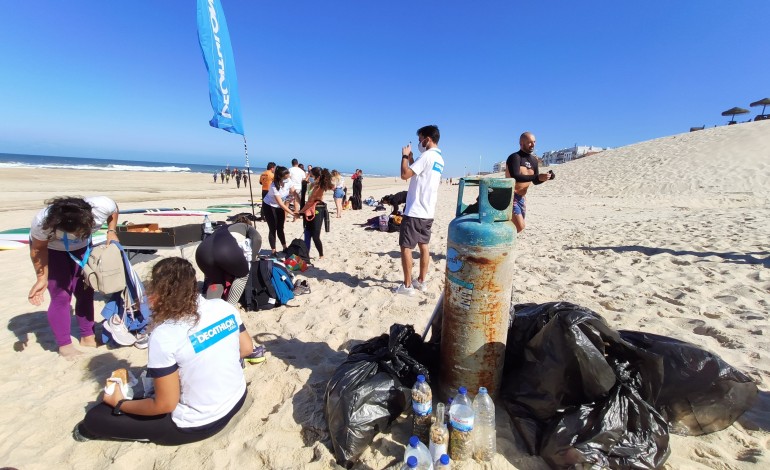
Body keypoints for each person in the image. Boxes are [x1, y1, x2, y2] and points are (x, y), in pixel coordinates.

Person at [74, 257, 256, 445]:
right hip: (237, 398)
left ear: (159, 292)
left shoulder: (165, 334)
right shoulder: (223, 307)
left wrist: (120, 403)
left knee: (95, 418)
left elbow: (165, 404)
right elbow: (246, 348)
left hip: (199, 423)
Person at [28, 196, 119, 358]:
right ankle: (65, 345)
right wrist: (41, 278)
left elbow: (114, 209)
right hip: (52, 251)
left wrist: (111, 231)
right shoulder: (42, 222)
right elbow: (37, 249)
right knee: (61, 297)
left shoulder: (101, 207)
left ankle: (87, 336)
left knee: (85, 291)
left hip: (82, 250)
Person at [395, 125, 444, 295]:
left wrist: (403, 156)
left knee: (406, 247)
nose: (419, 142)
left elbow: (405, 174)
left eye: (420, 139)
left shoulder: (427, 156)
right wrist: (412, 158)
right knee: (424, 246)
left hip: (415, 210)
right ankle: (421, 281)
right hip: (428, 211)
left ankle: (407, 285)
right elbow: (421, 172)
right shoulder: (439, 159)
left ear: (427, 139)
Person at [505, 131, 553, 233]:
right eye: (529, 142)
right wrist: (537, 177)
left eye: (534, 142)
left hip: (522, 198)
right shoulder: (514, 157)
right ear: (521, 143)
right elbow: (515, 177)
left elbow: (535, 180)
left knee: (515, 226)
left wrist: (546, 177)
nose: (533, 144)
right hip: (511, 196)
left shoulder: (534, 161)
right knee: (520, 226)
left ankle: (505, 243)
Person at [298, 167, 334, 259]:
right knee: (307, 233)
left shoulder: (320, 185)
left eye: (310, 173)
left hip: (317, 209)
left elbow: (311, 201)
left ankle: (321, 255)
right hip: (309, 208)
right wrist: (307, 178)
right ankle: (306, 254)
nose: (309, 175)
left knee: (315, 235)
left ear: (315, 175)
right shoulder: (314, 184)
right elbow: (306, 191)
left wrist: (301, 211)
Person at [262, 166, 299, 255]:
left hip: (279, 207)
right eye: (286, 177)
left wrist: (299, 205)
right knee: (273, 228)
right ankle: (273, 251)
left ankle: (284, 247)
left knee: (280, 228)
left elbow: (294, 193)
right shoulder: (274, 186)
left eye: (288, 176)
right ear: (280, 177)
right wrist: (292, 213)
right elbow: (281, 204)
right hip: (269, 206)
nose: (288, 179)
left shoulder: (288, 181)